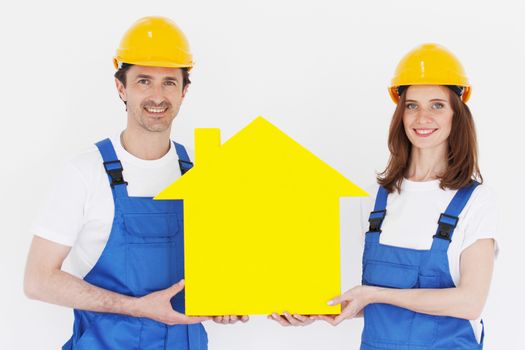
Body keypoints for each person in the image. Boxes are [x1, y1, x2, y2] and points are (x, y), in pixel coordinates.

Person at [24, 16, 247, 350]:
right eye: (144, 81)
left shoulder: (202, 174)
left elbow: (220, 275)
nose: (157, 96)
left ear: (184, 91)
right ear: (121, 87)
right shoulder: (86, 172)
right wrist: (134, 308)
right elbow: (37, 280)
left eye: (169, 82)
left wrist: (229, 302)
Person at [272, 43, 498, 349]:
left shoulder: (476, 200)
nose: (422, 117)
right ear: (400, 113)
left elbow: (469, 302)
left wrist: (375, 294)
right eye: (412, 105)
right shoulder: (379, 198)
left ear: (457, 113)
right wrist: (319, 309)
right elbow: (372, 304)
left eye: (437, 105)